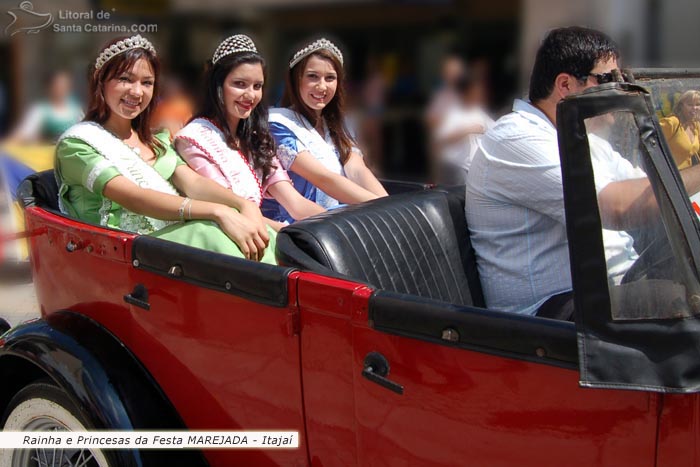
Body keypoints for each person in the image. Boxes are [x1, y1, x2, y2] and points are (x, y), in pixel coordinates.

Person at [465, 26, 700, 320]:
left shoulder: (584, 140)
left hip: (608, 286)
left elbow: (649, 190)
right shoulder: (516, 138)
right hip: (549, 312)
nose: (620, 90)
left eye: (622, 80)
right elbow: (618, 208)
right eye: (608, 80)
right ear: (565, 85)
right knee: (680, 302)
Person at [55, 35, 273, 263]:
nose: (137, 92)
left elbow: (194, 183)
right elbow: (135, 197)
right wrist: (218, 211)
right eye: (125, 79)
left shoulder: (156, 142)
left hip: (167, 249)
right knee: (212, 234)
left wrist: (243, 205)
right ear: (100, 81)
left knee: (262, 234)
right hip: (117, 258)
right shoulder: (78, 145)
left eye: (147, 83)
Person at [174, 35, 324, 230]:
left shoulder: (255, 139)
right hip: (226, 237)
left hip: (264, 231)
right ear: (217, 85)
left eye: (257, 86)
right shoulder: (194, 138)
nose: (250, 95)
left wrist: (336, 223)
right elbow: (231, 210)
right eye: (239, 84)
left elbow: (295, 203)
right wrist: (288, 233)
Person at [262, 37, 388, 224]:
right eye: (312, 76)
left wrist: (391, 206)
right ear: (296, 79)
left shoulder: (339, 125)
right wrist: (381, 209)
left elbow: (358, 171)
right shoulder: (278, 123)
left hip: (335, 218)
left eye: (330, 78)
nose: (322, 86)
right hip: (298, 225)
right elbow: (323, 178)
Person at [433, 72, 494, 184]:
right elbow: (441, 139)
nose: (479, 93)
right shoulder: (453, 112)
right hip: (456, 167)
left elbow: (495, 128)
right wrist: (467, 130)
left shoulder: (479, 112)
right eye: (475, 90)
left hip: (474, 167)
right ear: (466, 92)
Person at [11, 70, 84, 143]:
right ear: (49, 87)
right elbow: (24, 133)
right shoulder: (40, 109)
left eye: (65, 85)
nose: (61, 89)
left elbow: (84, 130)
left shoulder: (75, 109)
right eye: (58, 85)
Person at [659, 90, 700, 169]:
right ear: (681, 106)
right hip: (671, 176)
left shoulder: (695, 125)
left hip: (689, 176)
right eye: (690, 104)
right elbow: (651, 145)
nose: (694, 108)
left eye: (698, 104)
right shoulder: (671, 123)